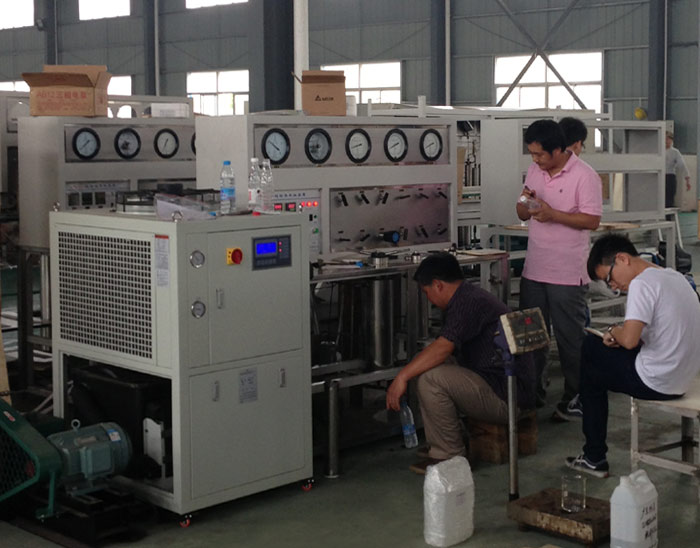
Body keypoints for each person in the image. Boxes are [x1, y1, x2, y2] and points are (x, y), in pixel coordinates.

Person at [385, 252, 535, 474]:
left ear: (438, 285)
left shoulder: (467, 303)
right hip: (500, 383)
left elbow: (443, 347)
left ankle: (449, 457)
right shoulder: (466, 296)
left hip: (508, 397)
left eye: (426, 292)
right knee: (425, 365)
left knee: (431, 379)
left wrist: (401, 377)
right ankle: (449, 439)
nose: (428, 298)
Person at [566, 234, 700, 477]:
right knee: (602, 354)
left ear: (622, 259)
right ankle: (584, 400)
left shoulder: (641, 284)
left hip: (657, 381)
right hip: (683, 377)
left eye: (609, 278)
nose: (613, 287)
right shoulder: (673, 276)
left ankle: (594, 455)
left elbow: (629, 340)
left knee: (591, 350)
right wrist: (620, 334)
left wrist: (613, 331)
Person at [516, 119, 602, 420]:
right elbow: (521, 209)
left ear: (558, 150)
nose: (535, 159)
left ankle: (576, 397)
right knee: (531, 338)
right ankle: (531, 394)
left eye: (540, 154)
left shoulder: (585, 176)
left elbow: (592, 220)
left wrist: (553, 214)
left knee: (570, 340)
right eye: (532, 154)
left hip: (567, 272)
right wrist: (527, 205)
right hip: (534, 269)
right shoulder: (534, 170)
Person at [665, 131, 690, 208]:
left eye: (668, 139)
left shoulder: (675, 152)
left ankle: (669, 214)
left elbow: (682, 165)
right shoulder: (658, 151)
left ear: (671, 140)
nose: (666, 141)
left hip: (670, 177)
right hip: (658, 177)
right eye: (665, 139)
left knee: (669, 199)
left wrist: (687, 179)